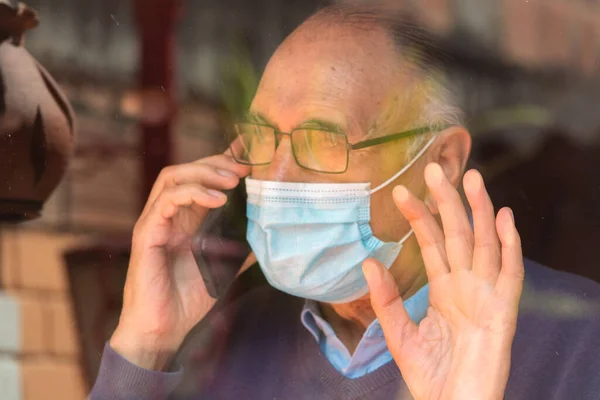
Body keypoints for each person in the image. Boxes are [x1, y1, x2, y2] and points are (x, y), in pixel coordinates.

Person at [89, 4, 600, 400]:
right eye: (263, 139)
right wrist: (145, 344)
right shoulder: (225, 335)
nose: (279, 176)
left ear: (441, 161)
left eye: (322, 140)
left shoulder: (582, 343)